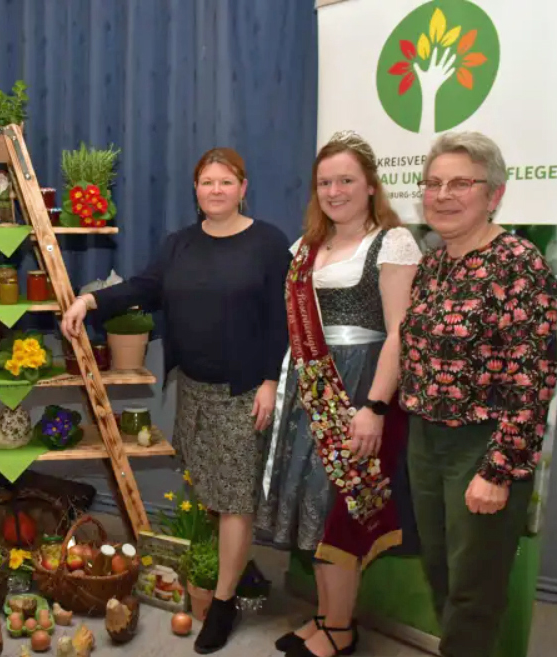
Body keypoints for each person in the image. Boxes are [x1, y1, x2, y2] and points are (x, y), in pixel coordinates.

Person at [60, 148, 291, 653]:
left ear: (243, 187)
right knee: (213, 490)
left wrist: (273, 381)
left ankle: (224, 602)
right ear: (196, 190)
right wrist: (89, 300)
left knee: (234, 499)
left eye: (225, 181)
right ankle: (233, 568)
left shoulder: (269, 244)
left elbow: (283, 318)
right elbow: (145, 287)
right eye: (206, 182)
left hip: (244, 389)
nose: (215, 190)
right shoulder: (179, 244)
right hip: (193, 387)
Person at [255, 132, 421, 657]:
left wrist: (374, 407)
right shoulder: (306, 248)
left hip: (360, 384)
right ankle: (327, 618)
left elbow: (399, 332)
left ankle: (342, 631)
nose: (334, 190)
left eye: (346, 179)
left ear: (370, 184)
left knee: (341, 505)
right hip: (310, 385)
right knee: (316, 502)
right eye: (325, 182)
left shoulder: (392, 242)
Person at [399, 132, 557, 657]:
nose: (442, 194)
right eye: (433, 182)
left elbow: (532, 377)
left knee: (473, 593)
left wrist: (499, 469)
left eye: (460, 183)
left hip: (482, 445)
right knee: (442, 574)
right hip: (426, 442)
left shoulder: (519, 263)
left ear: (493, 194)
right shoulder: (434, 263)